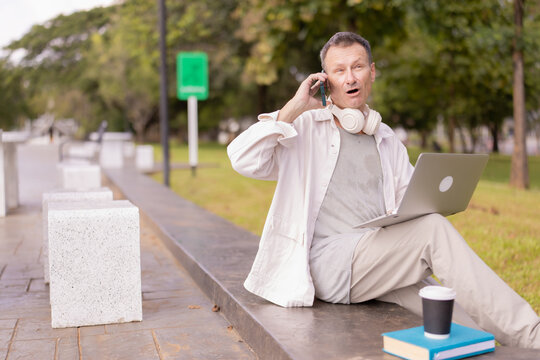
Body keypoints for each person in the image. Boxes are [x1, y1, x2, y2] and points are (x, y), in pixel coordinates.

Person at [227, 32, 539, 349]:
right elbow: (242, 158)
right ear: (326, 80)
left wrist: (435, 196)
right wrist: (294, 107)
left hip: (372, 258)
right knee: (432, 231)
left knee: (451, 313)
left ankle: (515, 344)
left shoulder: (385, 137)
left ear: (372, 72)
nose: (350, 77)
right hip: (326, 265)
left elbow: (410, 201)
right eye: (339, 70)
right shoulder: (304, 128)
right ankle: (533, 334)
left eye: (358, 67)